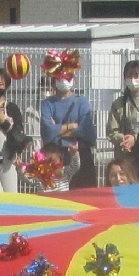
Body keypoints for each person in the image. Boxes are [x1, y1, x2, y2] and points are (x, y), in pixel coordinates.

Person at [37, 51, 95, 185]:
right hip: (56, 158)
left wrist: (57, 130)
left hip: (81, 155)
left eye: (68, 76)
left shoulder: (82, 101)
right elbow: (47, 133)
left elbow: (88, 133)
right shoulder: (47, 103)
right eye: (60, 76)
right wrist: (73, 126)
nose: (64, 79)